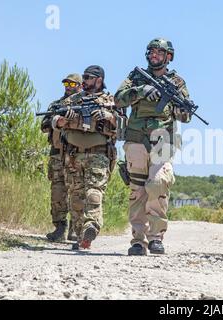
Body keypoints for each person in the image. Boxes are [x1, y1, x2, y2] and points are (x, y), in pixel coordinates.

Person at [114, 38, 191, 256]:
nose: (154, 55)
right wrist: (141, 91)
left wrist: (173, 102)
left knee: (158, 184)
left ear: (169, 56)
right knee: (137, 190)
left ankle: (156, 237)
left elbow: (186, 116)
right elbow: (118, 100)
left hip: (162, 141)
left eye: (159, 52)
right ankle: (138, 240)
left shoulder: (177, 81)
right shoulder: (136, 76)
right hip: (136, 139)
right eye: (151, 51)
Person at [52, 65, 118, 250]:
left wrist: (109, 117)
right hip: (73, 155)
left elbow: (123, 124)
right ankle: (82, 236)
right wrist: (61, 121)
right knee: (76, 197)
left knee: (93, 192)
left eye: (88, 77)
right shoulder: (73, 100)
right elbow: (53, 119)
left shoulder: (110, 101)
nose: (84, 81)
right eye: (84, 77)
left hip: (98, 154)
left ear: (98, 80)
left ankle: (92, 225)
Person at [41, 74, 82, 242]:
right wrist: (56, 121)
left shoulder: (85, 103)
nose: (68, 86)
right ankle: (60, 228)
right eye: (65, 83)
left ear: (79, 85)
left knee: (77, 191)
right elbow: (43, 125)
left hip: (76, 154)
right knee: (57, 192)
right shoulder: (56, 104)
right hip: (57, 154)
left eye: (72, 83)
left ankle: (75, 227)